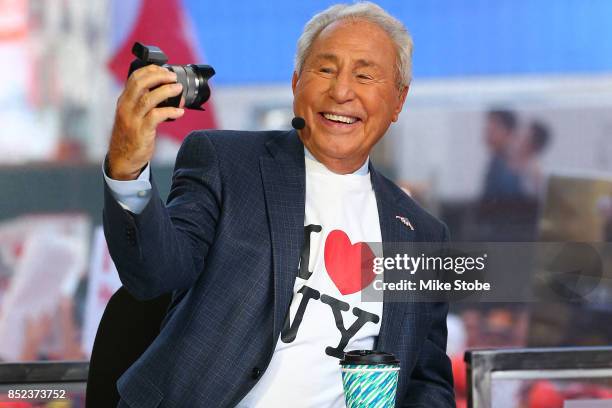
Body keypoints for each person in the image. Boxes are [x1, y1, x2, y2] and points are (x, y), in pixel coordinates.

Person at [103, 2, 454, 407]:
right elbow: (155, 273)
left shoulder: (420, 235)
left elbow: (426, 382)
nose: (341, 91)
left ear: (398, 101)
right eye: (324, 69)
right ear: (295, 83)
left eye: (364, 75)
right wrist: (127, 171)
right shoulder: (228, 164)